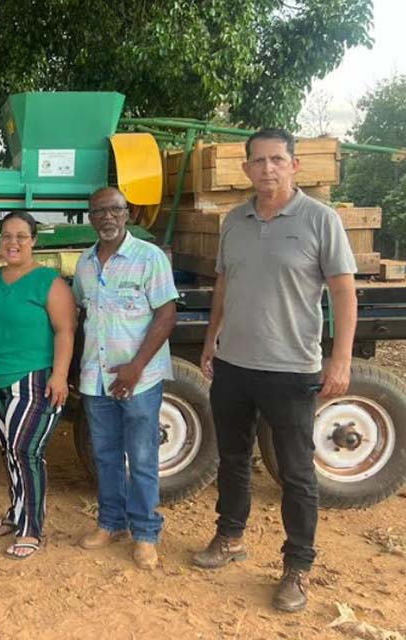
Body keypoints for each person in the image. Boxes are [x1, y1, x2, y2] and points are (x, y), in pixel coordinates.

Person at [194, 129, 357, 612]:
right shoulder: (234, 221)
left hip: (291, 370)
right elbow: (224, 285)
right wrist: (210, 339)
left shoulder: (319, 220)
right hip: (234, 365)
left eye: (277, 160)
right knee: (233, 459)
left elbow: (344, 294)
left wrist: (341, 358)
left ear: (294, 167)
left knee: (296, 473)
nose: (268, 169)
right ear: (245, 169)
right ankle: (230, 537)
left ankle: (297, 568)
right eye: (259, 161)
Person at [73, 186, 178, 571]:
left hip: (140, 377)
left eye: (114, 209)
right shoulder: (85, 264)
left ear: (127, 213)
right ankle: (111, 523)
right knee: (105, 455)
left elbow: (166, 315)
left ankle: (146, 533)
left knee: (143, 456)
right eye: (98, 211)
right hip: (97, 378)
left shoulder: (149, 257)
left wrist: (135, 367)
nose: (106, 217)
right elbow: (82, 316)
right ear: (90, 217)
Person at [0, 211, 76, 559]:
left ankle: (31, 527)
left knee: (26, 451)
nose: (13, 243)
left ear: (34, 241)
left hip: (33, 377)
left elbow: (65, 330)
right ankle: (17, 513)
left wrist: (60, 375)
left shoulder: (49, 281)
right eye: (6, 236)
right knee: (10, 451)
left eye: (21, 236)